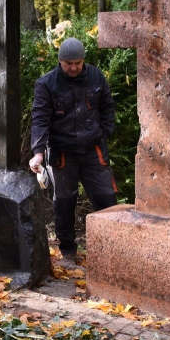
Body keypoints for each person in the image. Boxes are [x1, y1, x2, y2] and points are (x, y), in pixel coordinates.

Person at [29, 37, 118, 259]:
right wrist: (38, 153)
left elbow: (107, 107)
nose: (73, 67)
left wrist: (104, 133)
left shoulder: (96, 76)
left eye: (78, 63)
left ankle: (114, 253)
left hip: (93, 151)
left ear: (83, 60)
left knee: (107, 199)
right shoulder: (46, 84)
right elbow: (40, 119)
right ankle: (68, 252)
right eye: (69, 63)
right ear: (60, 61)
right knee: (64, 205)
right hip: (62, 154)